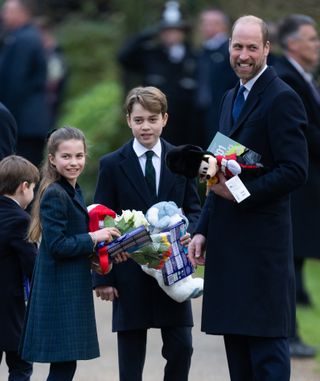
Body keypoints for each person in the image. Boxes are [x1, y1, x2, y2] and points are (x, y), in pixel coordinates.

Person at [188, 15, 308, 381]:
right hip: (228, 242)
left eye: (251, 47)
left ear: (267, 49)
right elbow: (218, 172)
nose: (243, 55)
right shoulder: (229, 97)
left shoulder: (283, 98)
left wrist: (242, 194)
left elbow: (294, 170)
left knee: (266, 351)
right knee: (237, 351)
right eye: (237, 47)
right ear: (228, 48)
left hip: (262, 247)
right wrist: (202, 228)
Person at [93, 86, 201, 381]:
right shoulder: (112, 164)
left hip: (173, 268)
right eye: (139, 120)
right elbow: (100, 221)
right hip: (129, 270)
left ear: (164, 119)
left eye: (152, 119)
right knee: (131, 357)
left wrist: (190, 231)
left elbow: (193, 208)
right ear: (128, 120)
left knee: (182, 348)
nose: (146, 127)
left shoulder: (181, 161)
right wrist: (103, 277)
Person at [19, 127, 124, 381]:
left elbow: (72, 243)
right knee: (63, 367)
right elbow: (58, 245)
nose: (74, 162)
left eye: (79, 156)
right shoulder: (55, 193)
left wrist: (100, 257)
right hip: (59, 291)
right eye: (66, 156)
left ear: (86, 156)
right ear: (52, 159)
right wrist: (93, 238)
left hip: (68, 286)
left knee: (65, 366)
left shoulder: (72, 190)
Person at [274, 13, 320, 359]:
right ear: (292, 43)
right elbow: (304, 134)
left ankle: (288, 334)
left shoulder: (303, 77)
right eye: (311, 38)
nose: (317, 45)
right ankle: (286, 336)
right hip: (297, 187)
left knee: (295, 264)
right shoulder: (288, 79)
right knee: (288, 264)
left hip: (306, 187)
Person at [117, 1, 199, 146]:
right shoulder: (151, 55)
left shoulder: (195, 57)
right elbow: (123, 57)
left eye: (175, 30)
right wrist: (145, 35)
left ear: (183, 32)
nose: (171, 35)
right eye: (166, 30)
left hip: (187, 129)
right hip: (155, 128)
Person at [0, 155, 39, 381]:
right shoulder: (19, 219)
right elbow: (32, 265)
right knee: (21, 367)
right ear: (24, 187)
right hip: (11, 309)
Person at [0, 0, 50, 167]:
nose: (3, 15)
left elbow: (15, 81)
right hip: (26, 121)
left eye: (7, 11)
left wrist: (5, 117)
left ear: (22, 13)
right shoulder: (23, 37)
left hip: (24, 123)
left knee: (22, 176)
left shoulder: (24, 40)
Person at [196, 8, 238, 146]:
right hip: (203, 113)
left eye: (212, 23)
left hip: (225, 114)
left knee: (227, 157)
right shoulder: (203, 51)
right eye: (205, 23)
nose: (206, 27)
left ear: (223, 26)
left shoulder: (231, 50)